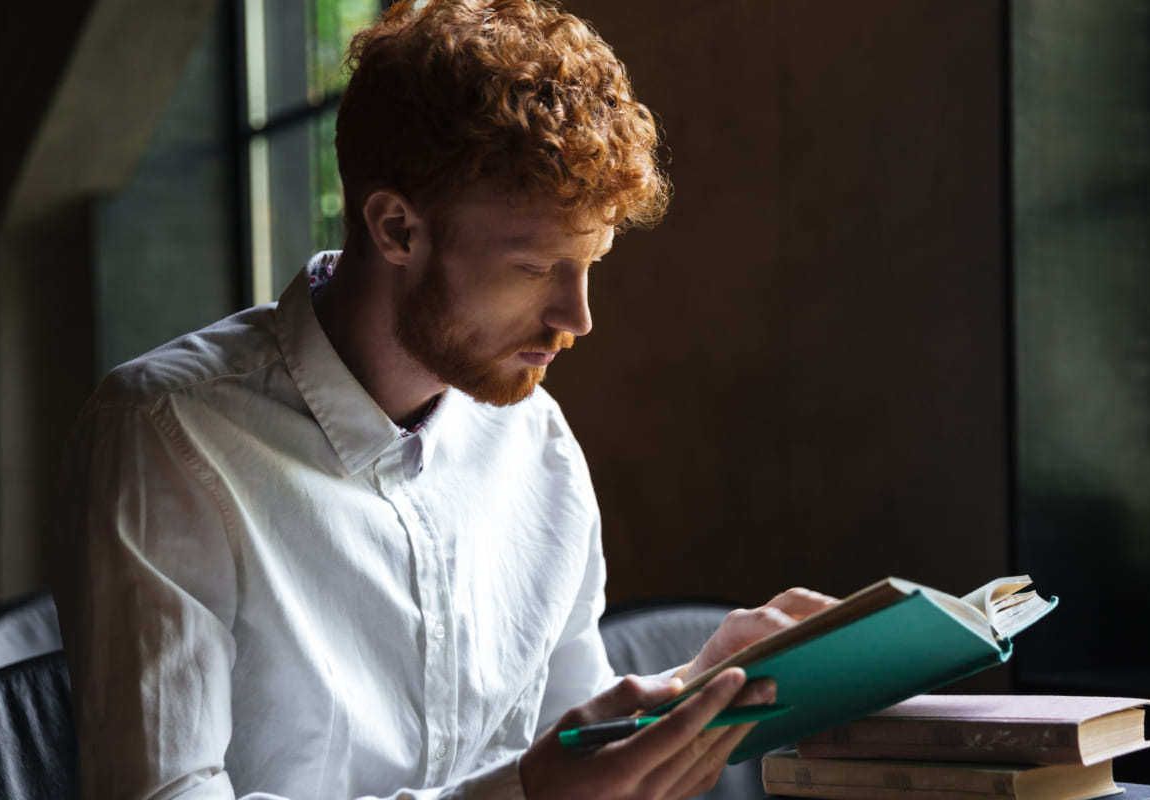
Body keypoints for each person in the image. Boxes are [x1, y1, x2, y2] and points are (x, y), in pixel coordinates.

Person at [53, 1, 837, 798]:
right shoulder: (165, 435)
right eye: (536, 269)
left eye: (591, 262)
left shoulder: (537, 442)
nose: (578, 318)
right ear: (396, 228)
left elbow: (564, 755)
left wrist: (703, 690)